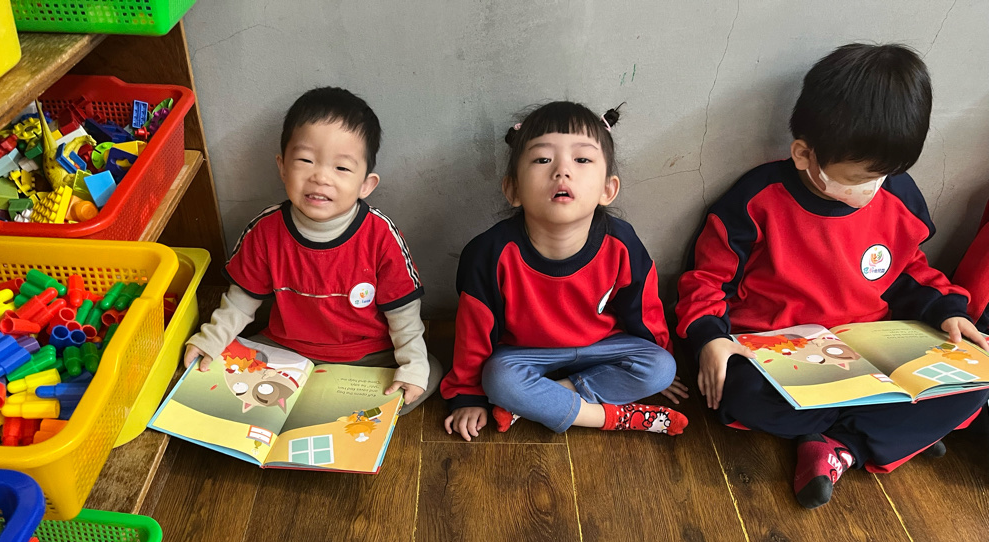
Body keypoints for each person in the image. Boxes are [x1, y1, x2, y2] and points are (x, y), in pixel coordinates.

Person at [675, 43, 989, 508]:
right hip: (780, 351)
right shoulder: (756, 201)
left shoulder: (898, 196)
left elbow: (909, 269)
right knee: (735, 390)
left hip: (873, 347)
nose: (873, 190)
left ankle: (840, 445)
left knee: (973, 385)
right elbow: (705, 281)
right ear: (804, 154)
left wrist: (949, 312)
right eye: (861, 177)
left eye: (885, 176)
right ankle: (887, 434)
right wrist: (710, 338)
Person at [441, 101, 688, 441]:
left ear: (608, 189)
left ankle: (541, 399)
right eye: (543, 160)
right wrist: (467, 394)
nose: (562, 171)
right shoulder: (489, 253)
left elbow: (645, 310)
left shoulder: (621, 243)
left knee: (660, 367)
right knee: (498, 380)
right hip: (526, 356)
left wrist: (660, 362)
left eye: (582, 160)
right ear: (513, 190)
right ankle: (612, 418)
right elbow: (474, 332)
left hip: (601, 348)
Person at [184, 86, 439, 414]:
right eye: (305, 160)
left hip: (366, 355)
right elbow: (240, 301)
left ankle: (325, 408)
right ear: (282, 167)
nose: (320, 177)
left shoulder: (381, 236)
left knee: (426, 372)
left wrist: (413, 366)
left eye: (341, 168)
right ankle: (297, 407)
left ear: (366, 184)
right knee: (214, 377)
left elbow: (404, 315)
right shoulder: (265, 230)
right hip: (284, 350)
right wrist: (211, 339)